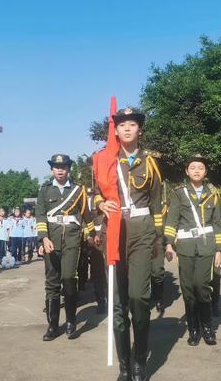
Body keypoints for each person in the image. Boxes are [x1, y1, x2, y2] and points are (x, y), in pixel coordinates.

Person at [95, 108, 163, 381]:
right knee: (118, 302)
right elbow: (92, 196)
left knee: (138, 296)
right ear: (115, 130)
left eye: (132, 125)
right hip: (114, 232)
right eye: (121, 125)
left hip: (142, 232)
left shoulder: (151, 163)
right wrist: (100, 203)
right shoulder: (104, 160)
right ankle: (125, 364)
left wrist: (159, 237)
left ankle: (140, 360)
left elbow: (158, 203)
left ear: (139, 130)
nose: (126, 129)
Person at [164, 155, 221, 347]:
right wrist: (168, 243)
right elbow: (172, 219)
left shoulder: (214, 193)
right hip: (185, 246)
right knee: (188, 290)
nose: (197, 170)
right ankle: (194, 329)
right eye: (193, 167)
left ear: (205, 172)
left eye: (200, 167)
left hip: (207, 246)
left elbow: (217, 223)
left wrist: (219, 249)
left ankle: (207, 328)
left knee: (202, 286)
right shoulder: (179, 193)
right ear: (186, 171)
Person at [36, 154, 97, 341]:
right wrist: (43, 238)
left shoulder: (78, 190)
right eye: (56, 166)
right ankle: (53, 325)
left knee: (69, 278)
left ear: (69, 169)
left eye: (64, 167)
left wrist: (92, 235)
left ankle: (71, 320)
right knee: (52, 282)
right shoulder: (45, 190)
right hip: (52, 239)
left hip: (71, 238)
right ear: (52, 169)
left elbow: (86, 214)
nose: (60, 170)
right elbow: (40, 215)